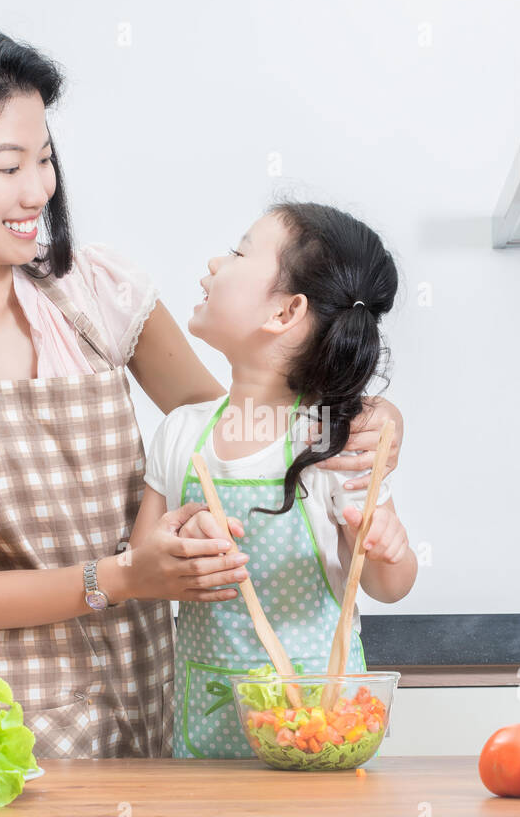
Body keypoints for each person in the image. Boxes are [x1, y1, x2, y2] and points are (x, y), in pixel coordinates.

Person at [0, 20, 406, 760]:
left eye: (46, 158)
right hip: (19, 734)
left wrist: (364, 414)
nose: (39, 189)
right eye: (8, 165)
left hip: (162, 704)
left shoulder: (95, 292)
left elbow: (239, 421)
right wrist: (120, 577)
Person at [135, 202, 418, 758]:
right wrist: (177, 550)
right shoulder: (180, 433)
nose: (215, 263)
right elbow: (144, 566)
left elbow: (389, 587)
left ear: (286, 313)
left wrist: (387, 549)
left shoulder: (334, 441)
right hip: (208, 724)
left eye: (239, 253)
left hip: (323, 732)